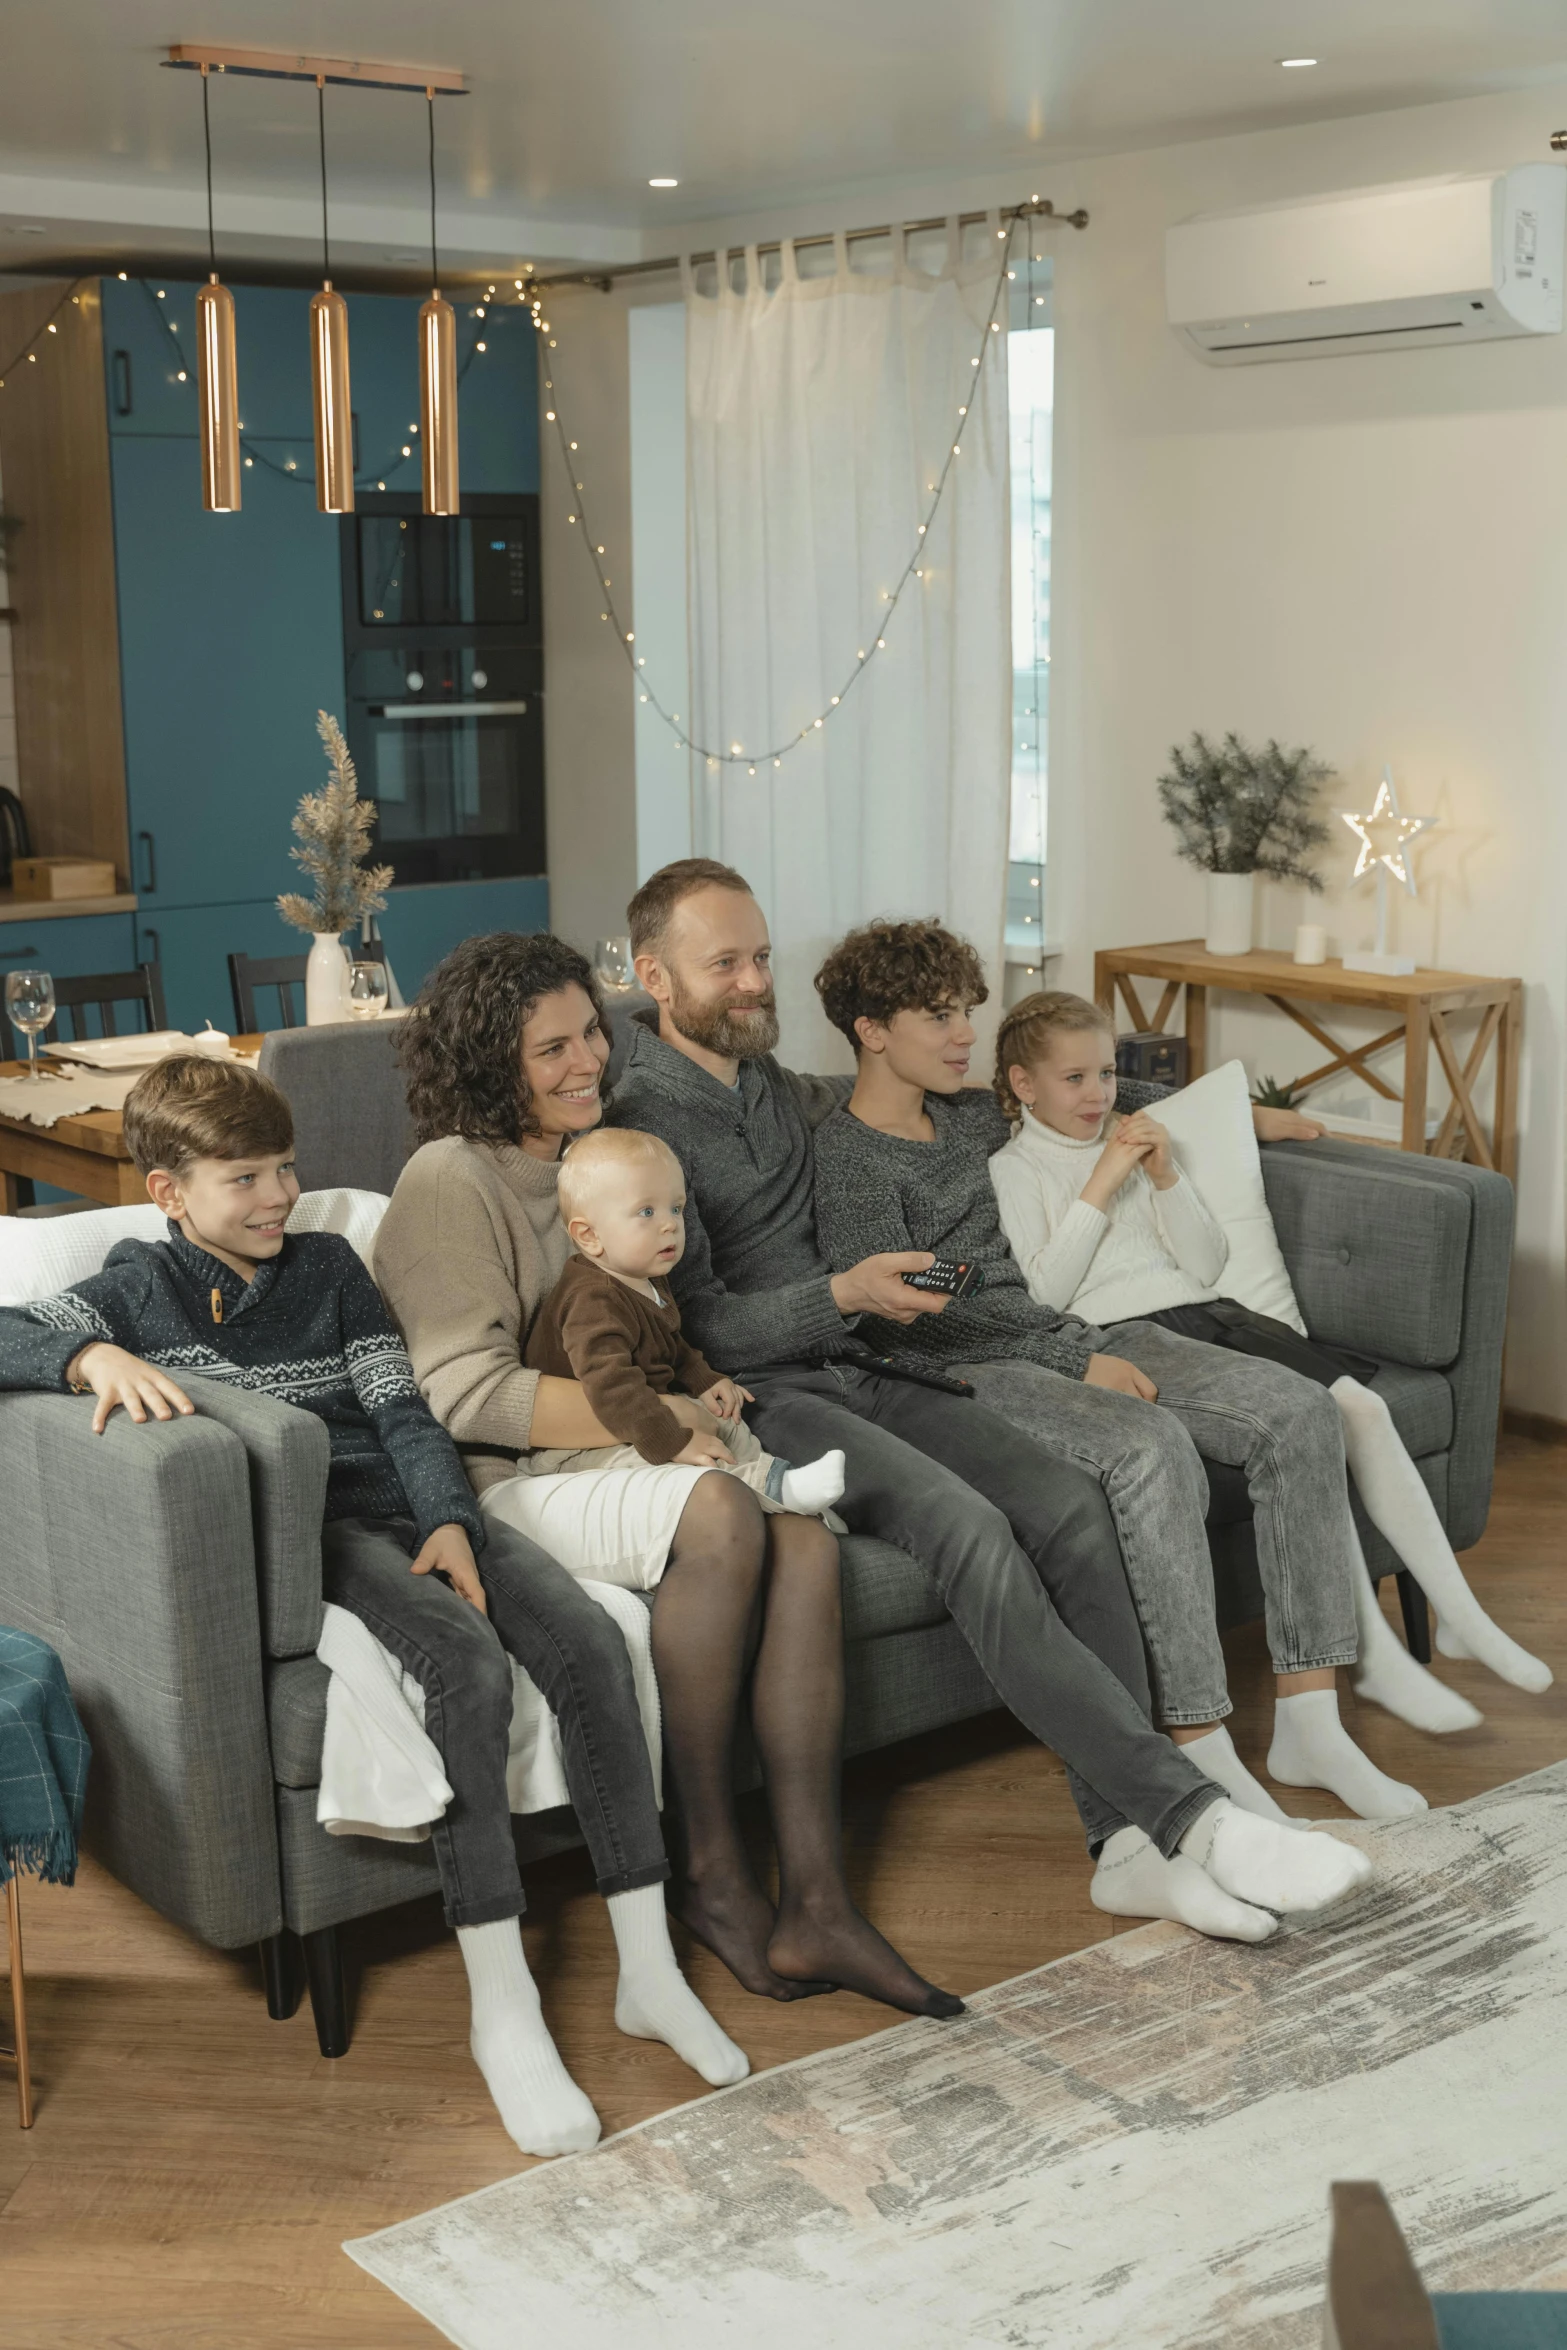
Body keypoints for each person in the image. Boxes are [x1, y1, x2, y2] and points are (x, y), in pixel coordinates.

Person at [608, 858, 1375, 1944]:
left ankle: (1120, 1847)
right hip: (773, 1390)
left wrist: (1233, 1117)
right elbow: (696, 1328)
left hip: (873, 1359)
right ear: (652, 973)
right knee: (973, 1527)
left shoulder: (774, 1084)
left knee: (1067, 1503)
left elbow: (1018, 1095)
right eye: (722, 962)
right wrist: (845, 1291)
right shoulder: (636, 1123)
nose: (750, 980)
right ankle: (1186, 1814)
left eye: (760, 956)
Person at [0, 1054, 746, 2160]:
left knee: (588, 1641)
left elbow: (401, 1408)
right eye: (243, 1176)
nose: (275, 1196)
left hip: (417, 1502)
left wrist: (449, 1516)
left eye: (286, 1168)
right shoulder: (130, 1290)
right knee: (469, 1668)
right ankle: (504, 2009)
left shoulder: (334, 1266)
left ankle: (648, 1969)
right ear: (168, 1190)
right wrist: (91, 1353)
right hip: (326, 1533)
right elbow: (7, 1334)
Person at [372, 932, 962, 2018]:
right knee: (728, 1506)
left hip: (617, 1456)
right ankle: (712, 1871)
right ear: (484, 1060)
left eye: (589, 1033)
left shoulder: (618, 1160)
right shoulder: (450, 1179)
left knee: (799, 1535)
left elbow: (672, 1329)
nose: (585, 1060)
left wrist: (689, 1402)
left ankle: (818, 1898)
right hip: (510, 1483)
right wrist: (668, 1420)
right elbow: (460, 1394)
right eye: (548, 1048)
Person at [809, 922, 1455, 1827]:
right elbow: (928, 1315)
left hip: (1060, 1332)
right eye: (938, 1016)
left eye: (966, 1013)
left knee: (1305, 1413)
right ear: (872, 1031)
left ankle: (1312, 1719)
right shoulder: (846, 1163)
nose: (963, 1035)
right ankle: (1200, 1744)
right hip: (962, 1366)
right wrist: (1075, 1356)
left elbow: (1102, 1087)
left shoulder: (964, 1110)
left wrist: (1239, 1118)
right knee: (1151, 1450)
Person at [988, 986, 1550, 1700]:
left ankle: (1452, 1618)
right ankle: (1396, 1641)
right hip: (1141, 1330)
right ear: (1022, 1085)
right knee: (1321, 1423)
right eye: (1075, 1079)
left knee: (1365, 1412)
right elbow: (1048, 1293)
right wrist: (1100, 1183)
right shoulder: (1016, 1169)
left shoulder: (1131, 1138)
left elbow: (1202, 1262)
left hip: (1213, 1310)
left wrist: (1163, 1176)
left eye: (1104, 1074)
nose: (1097, 1094)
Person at [516, 1124, 848, 1528]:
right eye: (646, 1212)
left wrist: (703, 1379)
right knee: (688, 1472)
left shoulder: (643, 1276)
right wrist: (672, 1443)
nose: (670, 1224)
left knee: (732, 1426)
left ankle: (778, 1484)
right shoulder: (593, 1299)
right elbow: (612, 1387)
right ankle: (775, 1491)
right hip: (580, 1447)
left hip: (639, 1417)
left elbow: (669, 1343)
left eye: (675, 1208)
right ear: (589, 1236)